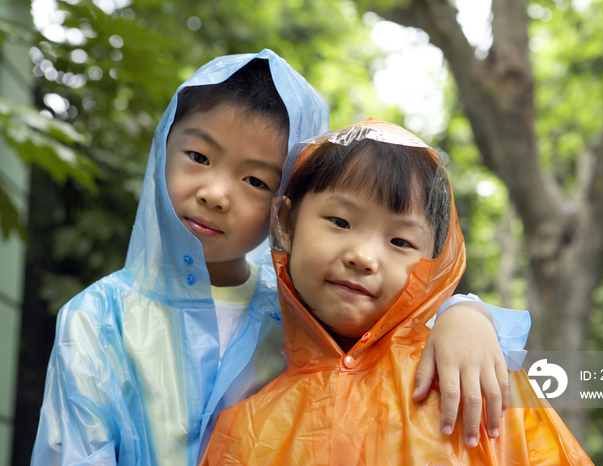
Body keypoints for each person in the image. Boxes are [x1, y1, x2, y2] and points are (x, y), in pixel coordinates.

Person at [31, 50, 527, 466]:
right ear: (163, 146)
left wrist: (467, 313)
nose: (217, 194)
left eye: (255, 181)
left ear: (285, 209)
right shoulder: (98, 320)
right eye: (199, 157)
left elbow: (397, 327)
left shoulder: (297, 306)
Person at [198, 118, 593, 466]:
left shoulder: (469, 380)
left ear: (432, 263)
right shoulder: (242, 417)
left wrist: (467, 312)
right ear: (286, 220)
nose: (364, 257)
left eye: (401, 242)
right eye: (340, 221)